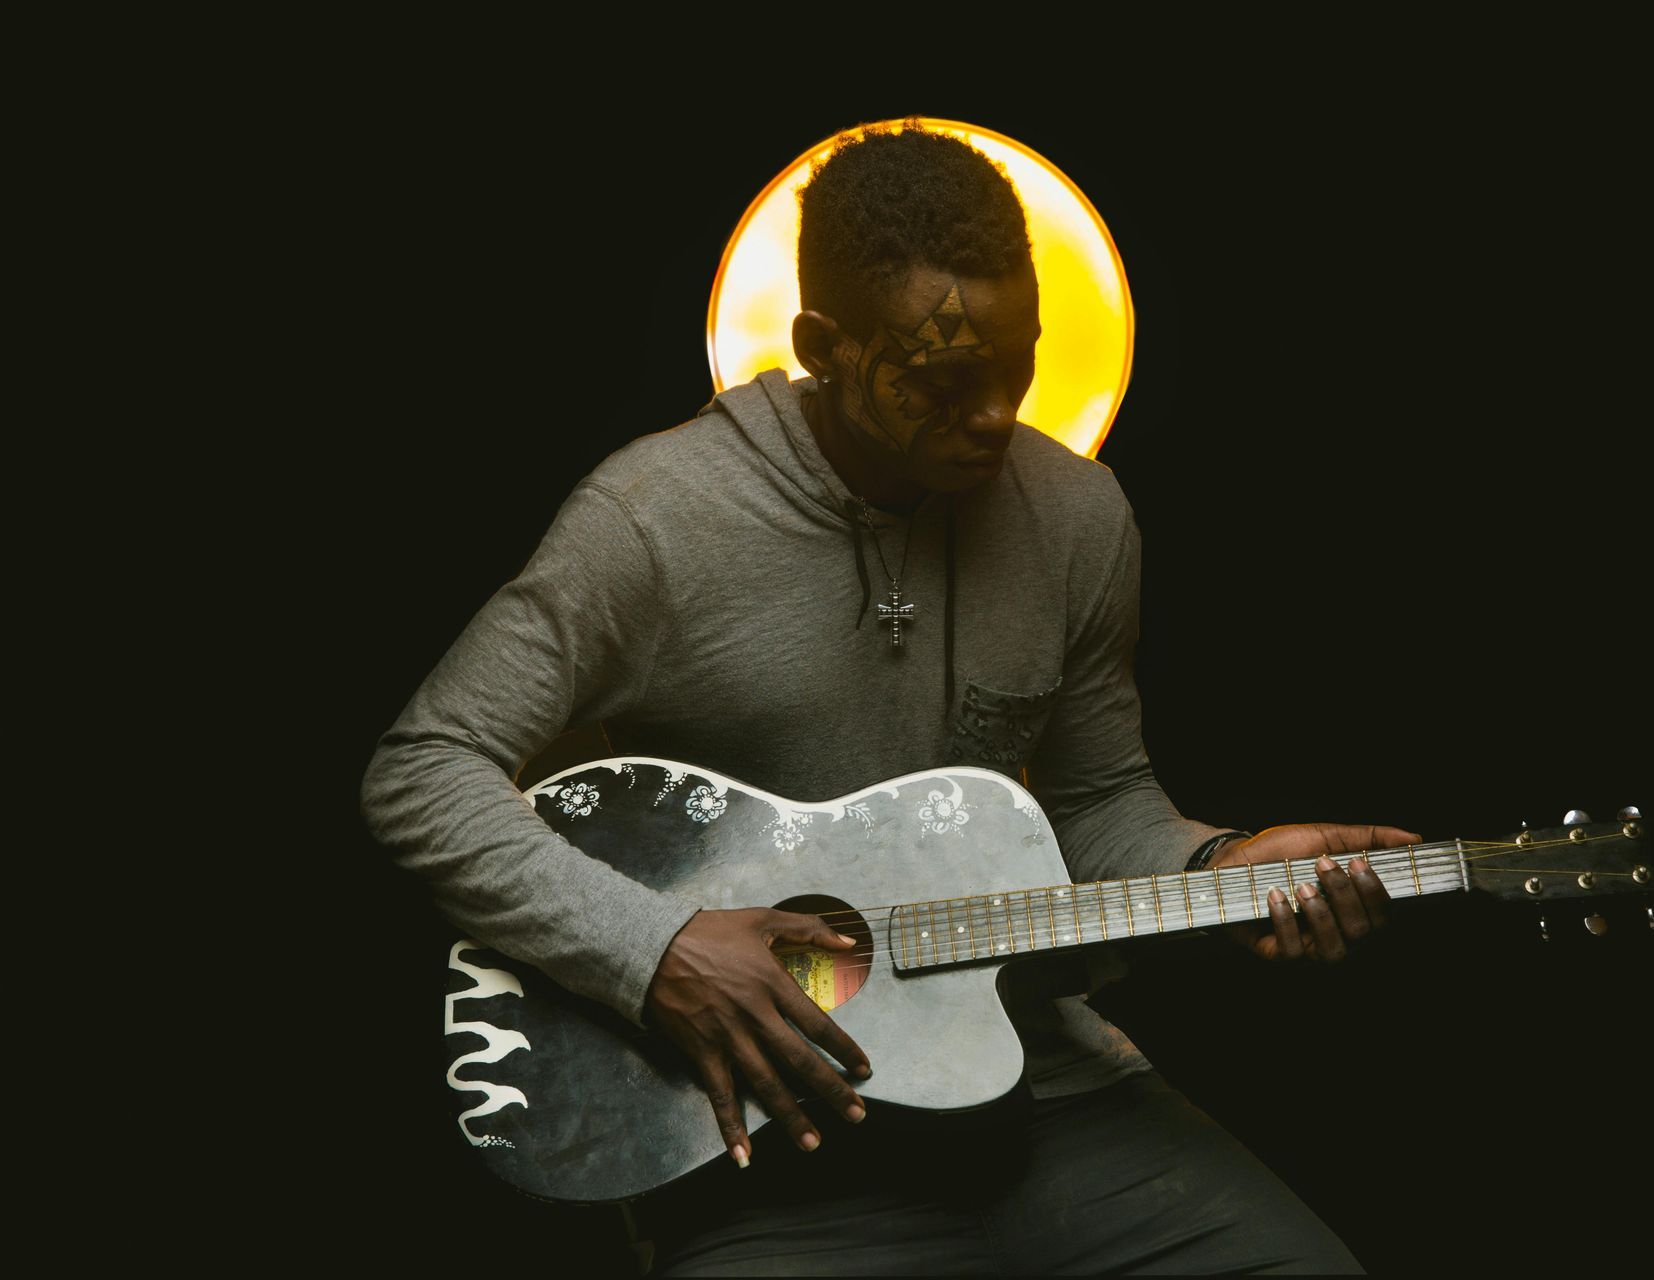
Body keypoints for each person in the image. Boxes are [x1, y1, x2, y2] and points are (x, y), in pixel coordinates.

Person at [361, 118, 1414, 1275]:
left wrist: (1222, 864)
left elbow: (1098, 803)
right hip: (763, 1131)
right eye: (946, 379)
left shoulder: (1080, 517)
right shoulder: (654, 519)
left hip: (1040, 1090)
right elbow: (423, 767)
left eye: (1018, 364)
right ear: (823, 343)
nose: (996, 413)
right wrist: (654, 947)